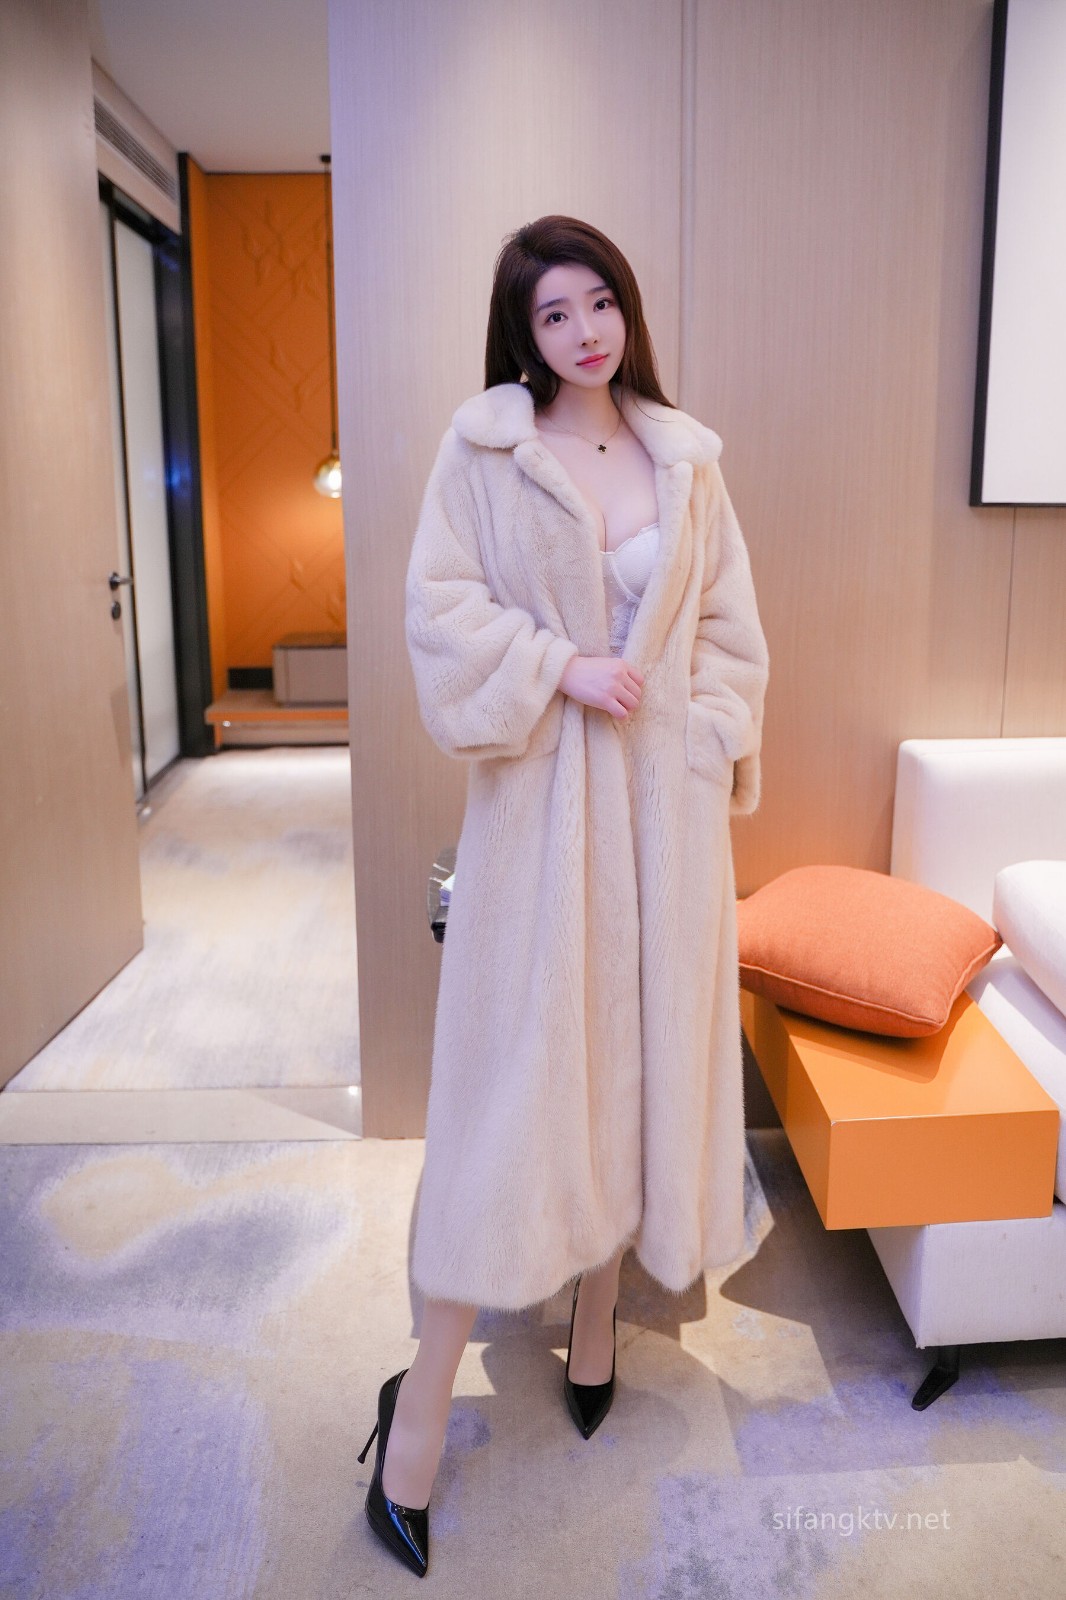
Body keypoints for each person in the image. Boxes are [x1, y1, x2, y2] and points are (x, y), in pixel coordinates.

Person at [358, 215, 770, 1578]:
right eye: (554, 313)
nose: (584, 331)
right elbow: (439, 614)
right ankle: (415, 1423)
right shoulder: (485, 452)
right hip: (541, 825)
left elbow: (729, 632)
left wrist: (706, 736)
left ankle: (597, 1326)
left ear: (625, 312)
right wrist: (560, 667)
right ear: (521, 333)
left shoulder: (685, 455)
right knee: (513, 1098)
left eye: (600, 303)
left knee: (639, 1069)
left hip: (668, 829)